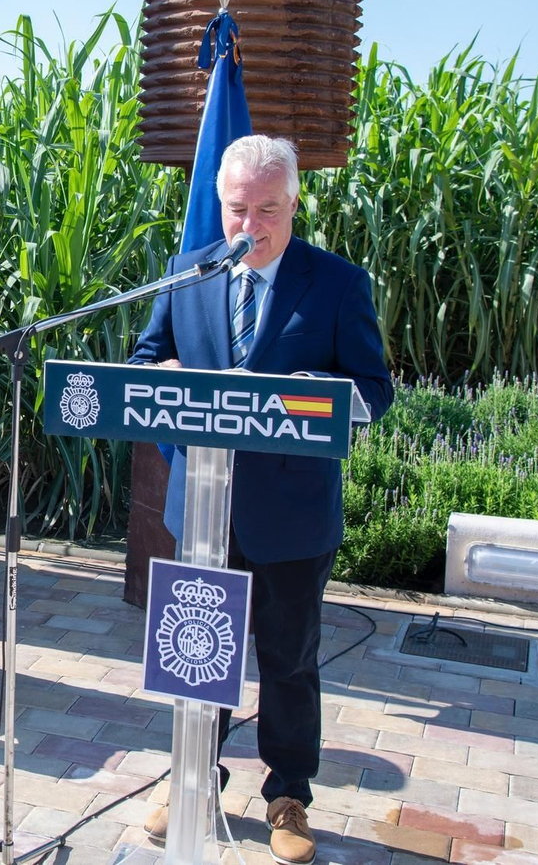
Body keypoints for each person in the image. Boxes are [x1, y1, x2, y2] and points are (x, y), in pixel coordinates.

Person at [129, 135, 393, 865]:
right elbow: (146, 364)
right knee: (196, 654)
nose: (251, 225)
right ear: (221, 204)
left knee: (287, 660)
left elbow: (374, 393)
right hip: (203, 510)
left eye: (268, 209)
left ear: (295, 202)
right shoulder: (188, 273)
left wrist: (304, 402)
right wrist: (174, 374)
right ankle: (193, 777)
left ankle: (288, 795)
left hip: (291, 516)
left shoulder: (337, 284)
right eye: (238, 209)